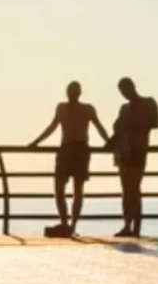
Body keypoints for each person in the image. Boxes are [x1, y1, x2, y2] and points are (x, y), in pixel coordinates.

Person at [28, 80, 110, 237]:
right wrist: (36, 142)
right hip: (69, 149)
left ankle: (71, 224)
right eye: (69, 90)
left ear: (78, 93)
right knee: (61, 189)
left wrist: (110, 143)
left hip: (78, 149)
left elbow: (99, 127)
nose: (71, 93)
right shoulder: (64, 108)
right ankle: (66, 223)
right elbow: (52, 127)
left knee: (76, 190)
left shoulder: (86, 109)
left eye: (73, 90)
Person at [107, 77, 158, 238]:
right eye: (121, 92)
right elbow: (117, 129)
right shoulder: (124, 108)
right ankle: (126, 225)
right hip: (123, 151)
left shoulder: (148, 103)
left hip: (138, 150)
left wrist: (131, 125)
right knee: (125, 189)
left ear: (132, 87)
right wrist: (111, 142)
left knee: (134, 188)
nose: (124, 94)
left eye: (125, 90)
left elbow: (154, 123)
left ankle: (136, 227)